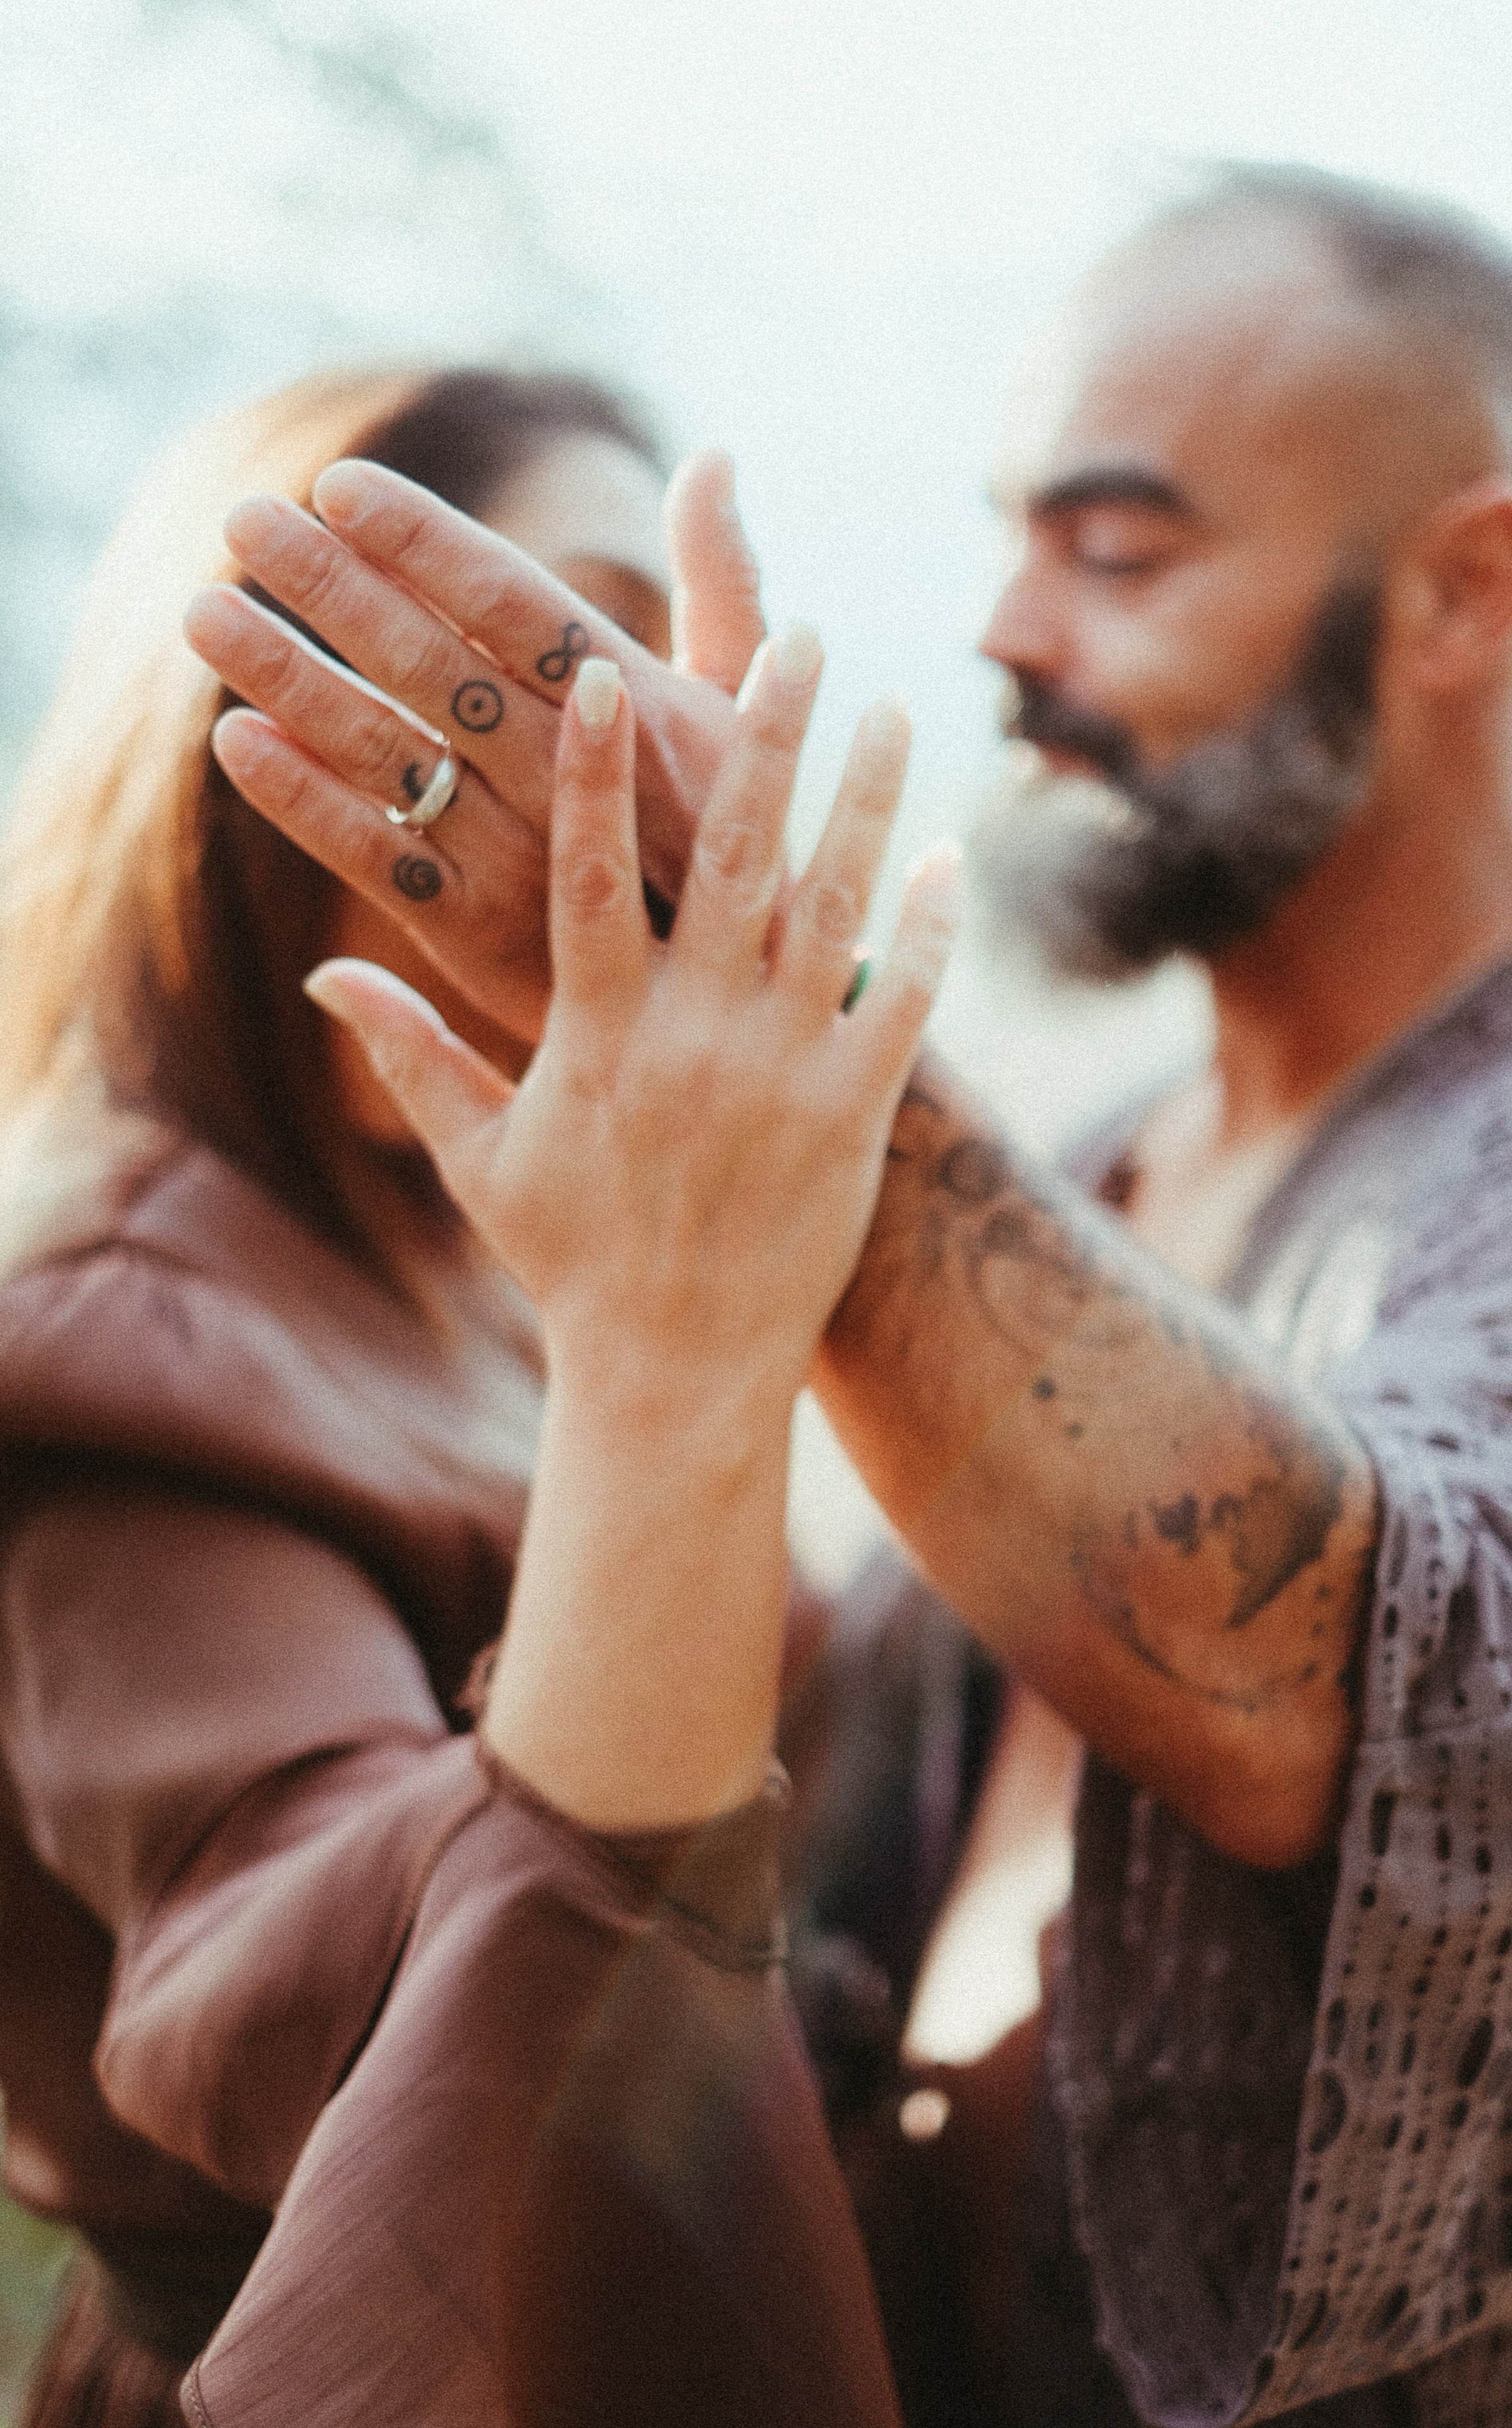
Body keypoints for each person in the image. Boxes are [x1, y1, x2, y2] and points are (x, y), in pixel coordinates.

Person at [194, 164, 1512, 2422]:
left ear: (1467, 589)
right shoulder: (1107, 1164)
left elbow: (1399, 1697)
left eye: (1116, 550)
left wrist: (785, 1064)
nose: (1005, 627)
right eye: (1005, 537)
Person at [0, 362, 912, 2427]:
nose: (611, 752)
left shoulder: (455, 1221)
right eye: (520, 663)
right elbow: (288, 2012)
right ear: (255, 741)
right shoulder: (93, 1338)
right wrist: (675, 1371)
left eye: (634, 658)